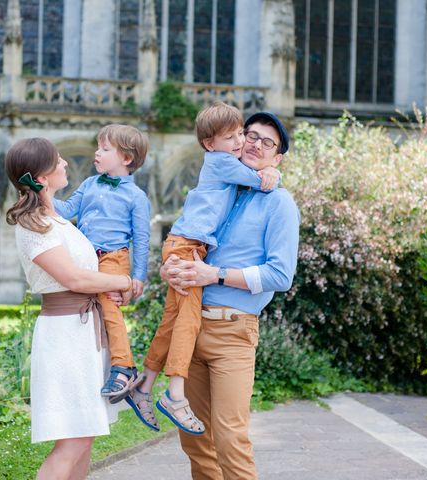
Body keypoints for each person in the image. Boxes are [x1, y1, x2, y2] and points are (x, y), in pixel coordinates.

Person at [162, 111, 300, 479]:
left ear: (278, 157)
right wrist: (170, 268)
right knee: (195, 442)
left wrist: (216, 275)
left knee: (229, 440)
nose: (254, 144)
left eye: (267, 142)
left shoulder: (279, 203)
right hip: (190, 327)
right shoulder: (221, 188)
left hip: (232, 335)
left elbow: (280, 274)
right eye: (250, 135)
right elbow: (189, 244)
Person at [130, 102, 281, 435]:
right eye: (232, 137)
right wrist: (274, 172)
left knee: (172, 321)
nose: (241, 142)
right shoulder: (222, 163)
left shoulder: (225, 164)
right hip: (187, 246)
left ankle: (144, 385)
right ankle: (175, 395)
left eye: (242, 134)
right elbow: (260, 180)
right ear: (209, 145)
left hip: (186, 244)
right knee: (187, 321)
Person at [5, 137, 134, 479]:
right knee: (73, 441)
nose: (65, 164)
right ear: (43, 177)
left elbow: (88, 277)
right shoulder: (33, 223)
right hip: (64, 336)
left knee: (85, 436)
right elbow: (75, 278)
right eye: (58, 160)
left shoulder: (57, 220)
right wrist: (124, 283)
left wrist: (111, 288)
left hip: (83, 333)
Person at [54, 124, 151, 404]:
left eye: (105, 149)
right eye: (98, 147)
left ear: (126, 159)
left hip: (113, 258)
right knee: (84, 312)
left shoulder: (136, 197)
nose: (97, 153)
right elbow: (68, 210)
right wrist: (43, 195)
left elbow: (141, 240)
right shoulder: (89, 184)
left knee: (109, 310)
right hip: (85, 257)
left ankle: (124, 367)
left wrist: (138, 277)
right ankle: (91, 368)